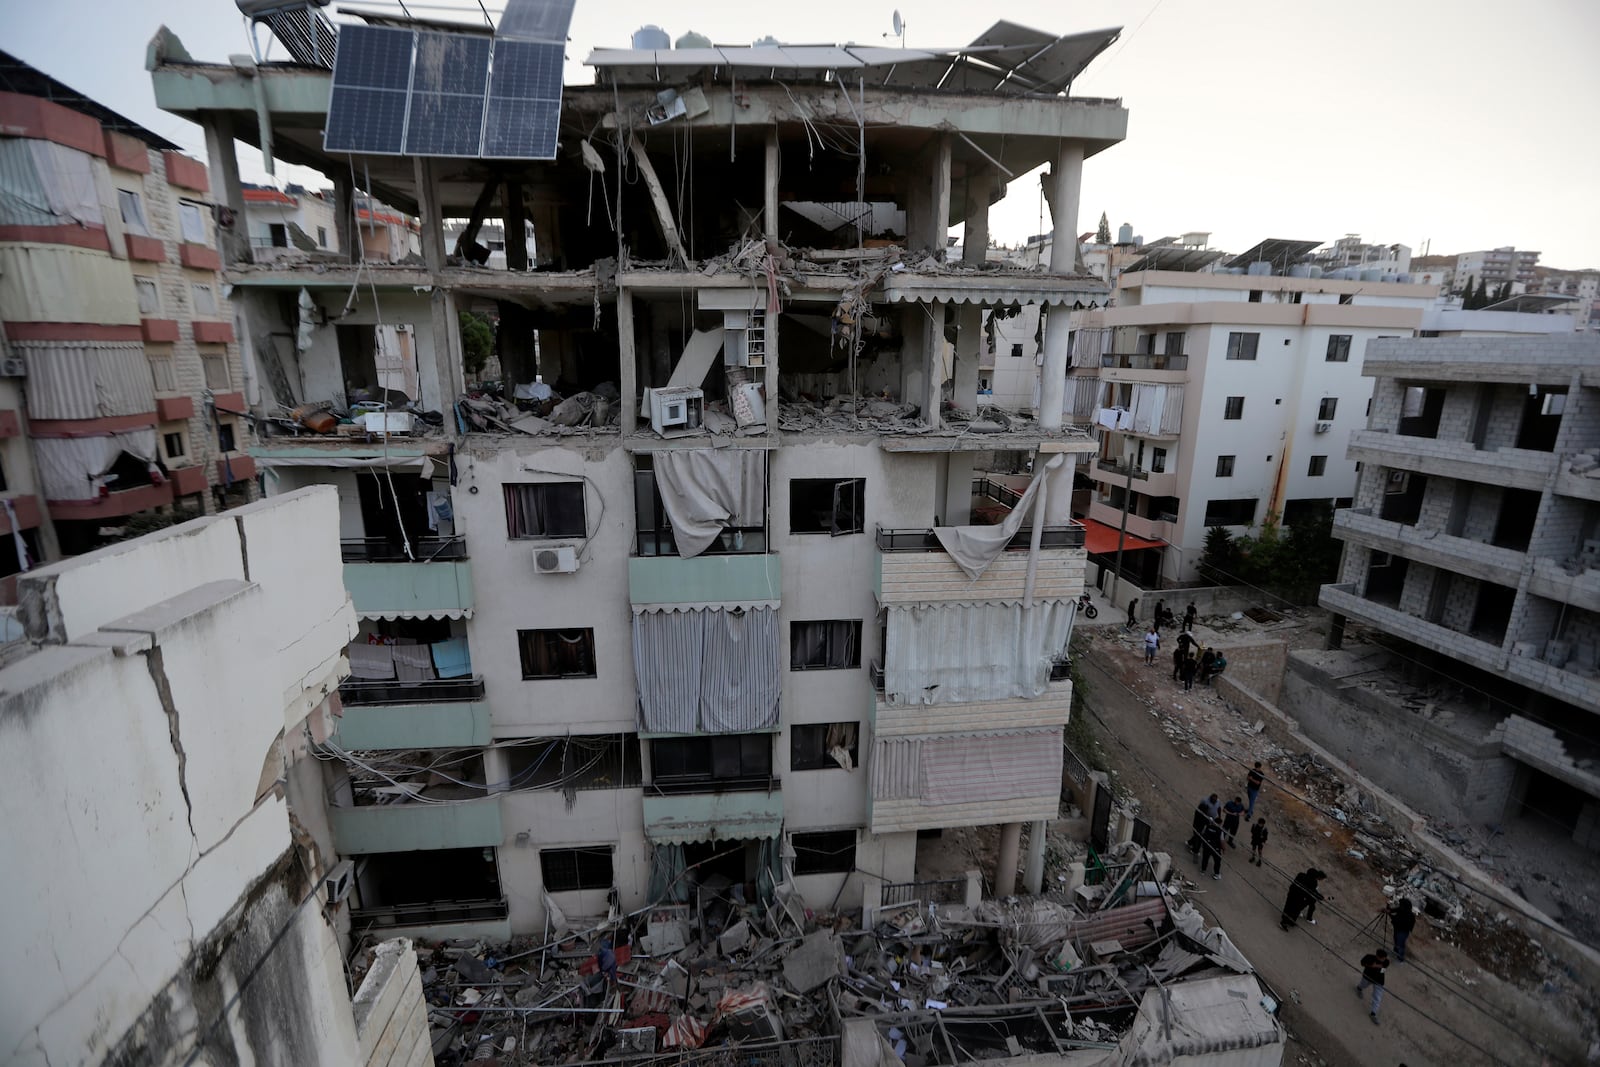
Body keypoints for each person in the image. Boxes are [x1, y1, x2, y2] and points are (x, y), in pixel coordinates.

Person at [1356, 949, 1389, 1024]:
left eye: (1384, 958)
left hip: (1379, 981)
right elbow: (1362, 963)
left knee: (1377, 997)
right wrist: (1371, 965)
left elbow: (1383, 969)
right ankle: (1359, 988)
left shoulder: (1386, 961)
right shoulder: (1369, 957)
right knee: (1363, 985)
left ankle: (1373, 1013)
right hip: (1368, 976)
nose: (1384, 959)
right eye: (1382, 958)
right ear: (1377, 956)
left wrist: (1375, 966)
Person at [1389, 897, 1417, 962]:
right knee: (1396, 940)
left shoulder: (1408, 916)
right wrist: (1389, 910)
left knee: (1400, 944)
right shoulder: (1402, 909)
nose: (1400, 906)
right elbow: (1395, 910)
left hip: (1403, 931)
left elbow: (1397, 920)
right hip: (1398, 929)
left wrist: (1389, 914)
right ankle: (1395, 951)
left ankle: (1400, 958)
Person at [1199, 812, 1224, 880]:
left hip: (1207, 846)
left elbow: (1202, 834)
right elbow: (1222, 841)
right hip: (1215, 848)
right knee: (1217, 861)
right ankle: (1216, 874)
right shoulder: (1220, 831)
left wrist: (1203, 843)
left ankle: (1203, 870)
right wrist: (1223, 849)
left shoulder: (1207, 826)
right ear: (1219, 824)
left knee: (1205, 858)